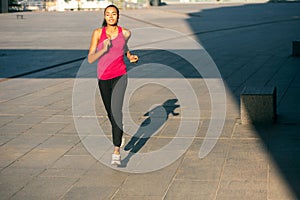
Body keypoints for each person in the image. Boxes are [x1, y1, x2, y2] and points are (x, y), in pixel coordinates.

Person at [87, 5, 138, 165]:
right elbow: (90, 58)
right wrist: (104, 49)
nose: (110, 17)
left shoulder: (125, 33)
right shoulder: (97, 33)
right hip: (103, 77)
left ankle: (116, 150)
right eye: (107, 14)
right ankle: (119, 132)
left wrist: (129, 56)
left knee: (116, 111)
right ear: (104, 16)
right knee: (110, 112)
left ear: (118, 16)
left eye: (113, 14)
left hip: (120, 76)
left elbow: (123, 46)